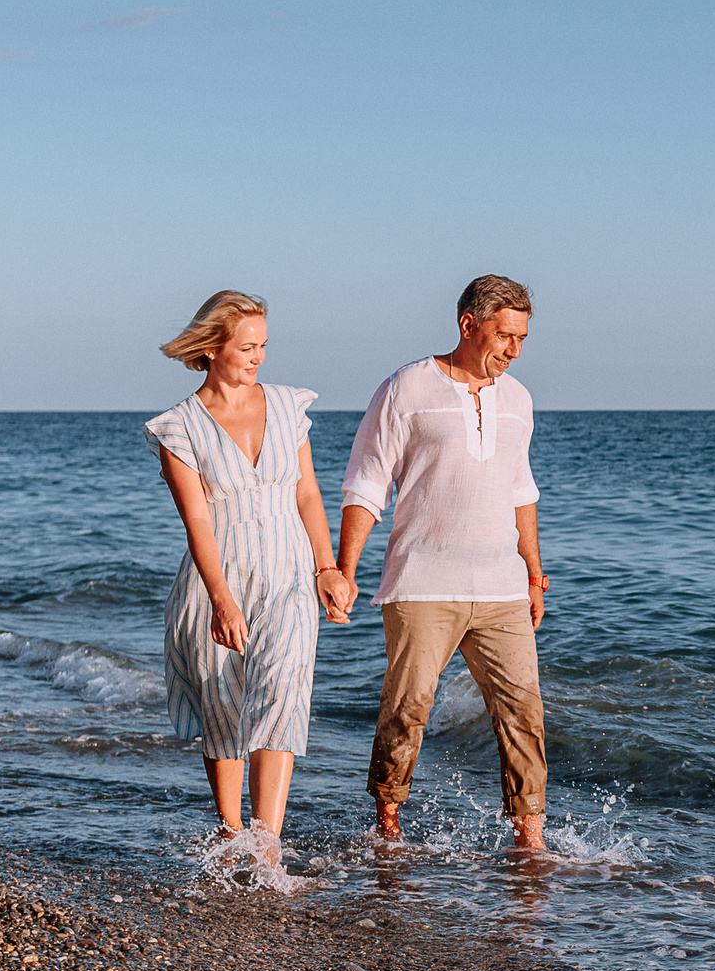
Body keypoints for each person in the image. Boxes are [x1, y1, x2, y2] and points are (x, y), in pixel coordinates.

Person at [335, 275, 550, 849]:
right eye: (505, 335)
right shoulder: (406, 388)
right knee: (408, 707)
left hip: (502, 585)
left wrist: (533, 574)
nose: (514, 349)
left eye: (523, 338)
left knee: (523, 710)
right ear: (468, 325)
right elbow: (365, 485)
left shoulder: (519, 400)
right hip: (423, 583)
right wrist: (344, 571)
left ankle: (529, 833)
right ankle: (387, 822)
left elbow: (520, 492)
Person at [146, 291, 354, 862]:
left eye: (264, 345)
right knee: (222, 706)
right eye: (247, 346)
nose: (259, 356)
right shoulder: (181, 428)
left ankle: (267, 843)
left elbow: (307, 492)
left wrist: (328, 566)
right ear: (212, 348)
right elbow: (198, 523)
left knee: (283, 696)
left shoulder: (289, 407)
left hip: (289, 574)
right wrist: (221, 599)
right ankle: (231, 830)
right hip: (218, 580)